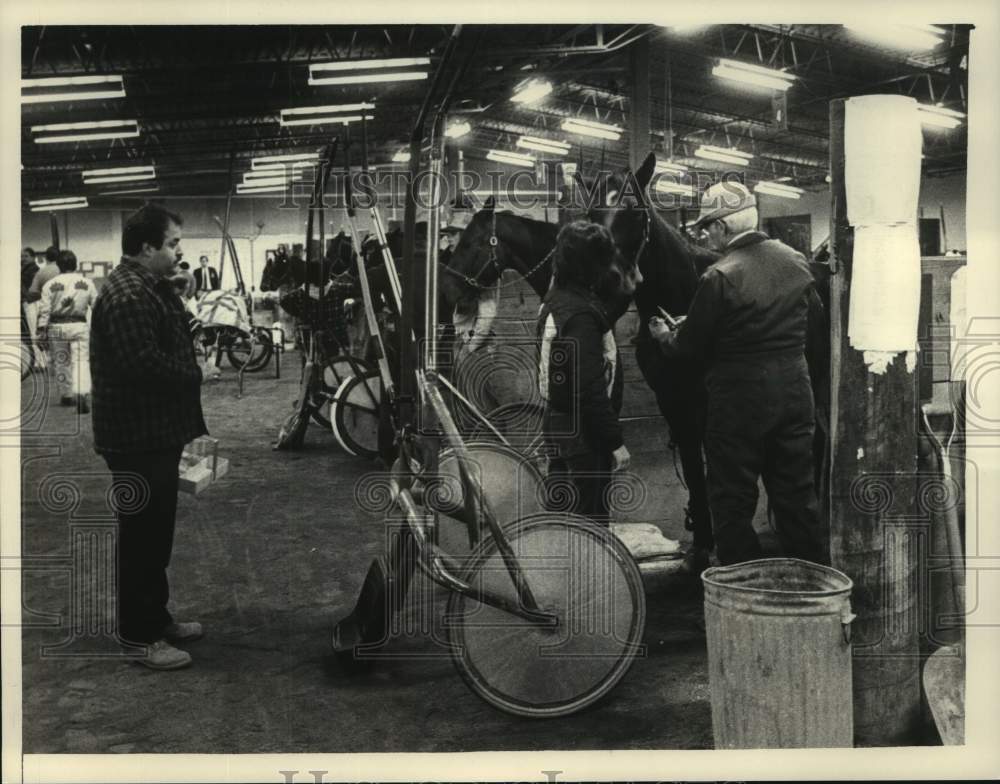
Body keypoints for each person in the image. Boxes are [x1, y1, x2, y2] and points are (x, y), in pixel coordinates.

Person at [649, 182, 827, 566]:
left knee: (732, 500)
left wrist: (666, 336)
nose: (705, 235)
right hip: (796, 394)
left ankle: (743, 588)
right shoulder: (796, 261)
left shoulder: (720, 275)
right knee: (797, 496)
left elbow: (688, 348)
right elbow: (807, 317)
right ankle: (812, 585)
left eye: (708, 227)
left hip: (739, 403)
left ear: (723, 228)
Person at [90, 204, 207, 671]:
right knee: (142, 540)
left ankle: (156, 618)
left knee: (155, 537)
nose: (179, 252)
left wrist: (179, 290)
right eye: (173, 243)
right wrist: (194, 374)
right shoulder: (129, 296)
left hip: (152, 432)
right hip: (136, 437)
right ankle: (139, 637)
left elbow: (174, 330)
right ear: (146, 248)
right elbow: (141, 363)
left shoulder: (145, 287)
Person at [538, 221, 631, 526]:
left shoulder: (554, 300)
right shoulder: (580, 315)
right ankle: (590, 575)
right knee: (590, 523)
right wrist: (614, 442)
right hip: (583, 434)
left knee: (564, 520)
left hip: (557, 423)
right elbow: (589, 386)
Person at [36, 249, 98, 412]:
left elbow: (45, 310)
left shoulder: (50, 285)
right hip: (79, 325)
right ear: (75, 264)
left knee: (61, 361)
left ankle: (67, 395)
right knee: (81, 360)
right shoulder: (88, 283)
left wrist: (41, 330)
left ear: (58, 265)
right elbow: (96, 306)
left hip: (57, 327)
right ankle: (82, 392)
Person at [26, 246, 61, 370]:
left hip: (45, 304)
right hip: (61, 307)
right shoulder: (62, 270)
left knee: (41, 333)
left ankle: (42, 363)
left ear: (46, 258)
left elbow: (32, 291)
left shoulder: (42, 272)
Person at [20, 247, 40, 366]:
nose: (23, 258)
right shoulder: (24, 269)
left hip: (31, 302)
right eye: (22, 256)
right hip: (27, 302)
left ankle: (37, 361)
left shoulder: (33, 269)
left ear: (33, 257)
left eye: (26, 256)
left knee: (32, 331)